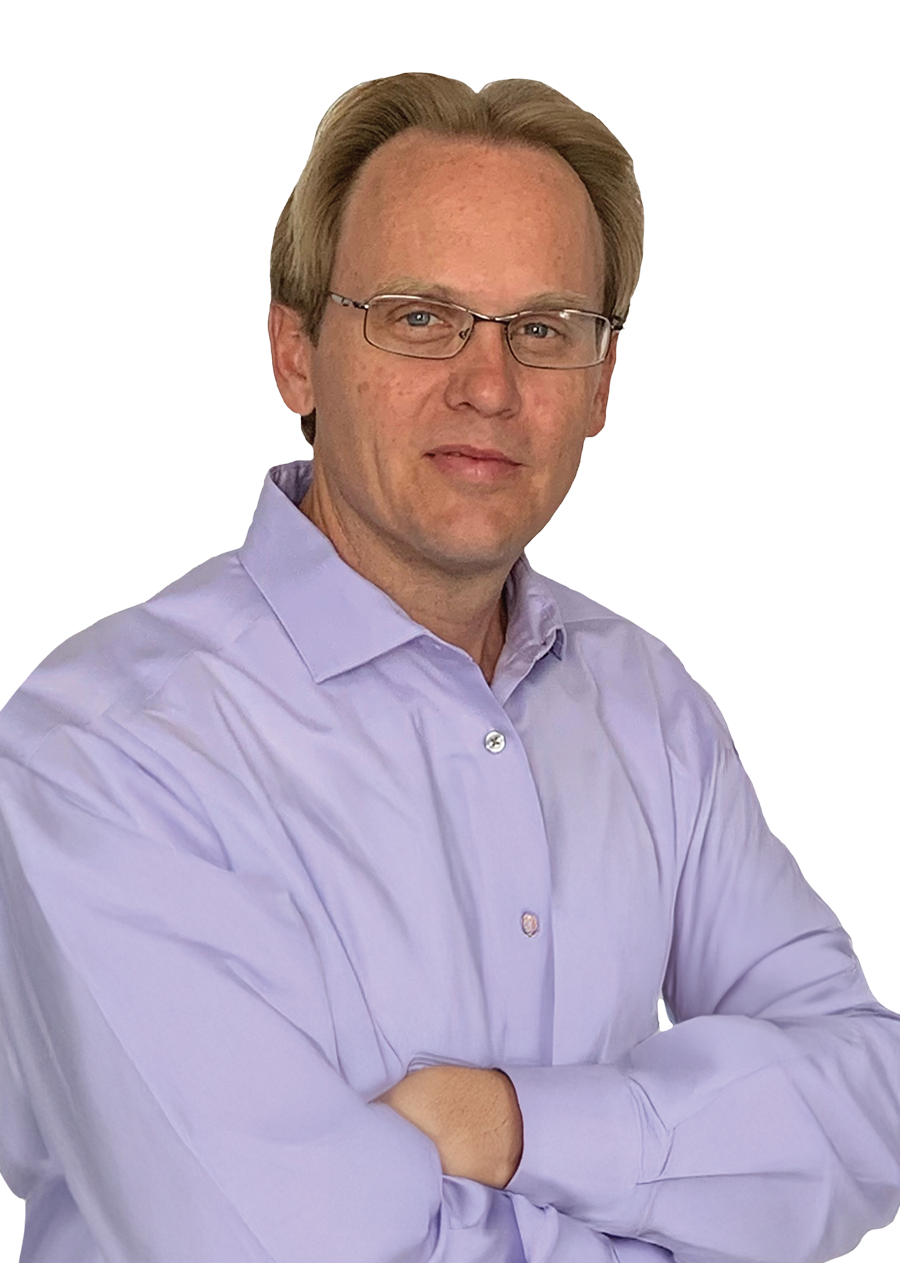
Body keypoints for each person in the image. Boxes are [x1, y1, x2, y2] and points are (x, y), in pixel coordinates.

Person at [0, 71, 898, 1263]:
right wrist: (701, 1190)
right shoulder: (103, 749)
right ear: (296, 356)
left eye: (545, 328)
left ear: (600, 386)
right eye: (420, 316)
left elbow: (873, 1090)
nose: (490, 384)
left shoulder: (647, 705)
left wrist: (515, 1128)